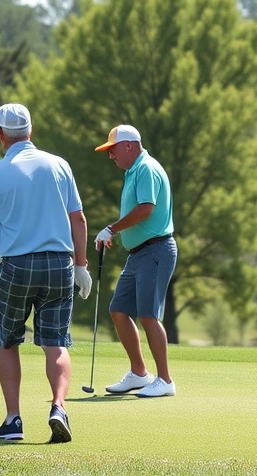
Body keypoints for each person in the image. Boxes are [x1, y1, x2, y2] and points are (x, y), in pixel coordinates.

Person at [0, 103, 92, 444]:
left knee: (8, 341)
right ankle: (58, 406)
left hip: (17, 266)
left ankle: (13, 421)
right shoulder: (59, 165)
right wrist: (80, 266)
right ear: (30, 131)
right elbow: (78, 219)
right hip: (59, 264)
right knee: (56, 343)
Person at [93, 124, 178, 398]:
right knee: (118, 310)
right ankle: (140, 373)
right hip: (139, 254)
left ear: (129, 145)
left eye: (113, 149)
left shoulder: (146, 169)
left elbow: (145, 209)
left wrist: (111, 229)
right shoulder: (133, 171)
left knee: (148, 315)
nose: (111, 156)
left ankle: (165, 380)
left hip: (156, 250)